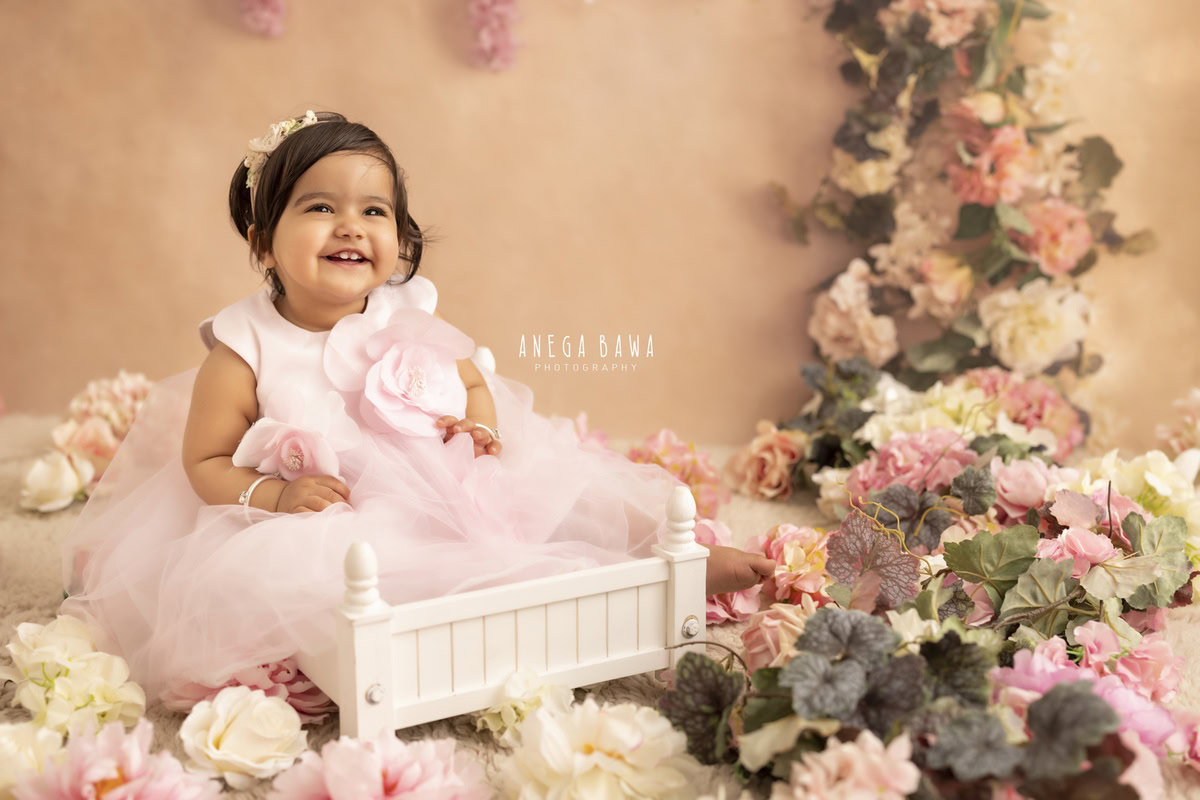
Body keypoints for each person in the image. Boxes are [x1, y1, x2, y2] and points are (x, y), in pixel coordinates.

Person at [61, 110, 773, 707]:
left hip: (444, 476)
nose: (350, 226)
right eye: (319, 208)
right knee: (370, 575)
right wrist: (275, 494)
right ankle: (489, 621)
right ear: (262, 244)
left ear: (399, 241)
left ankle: (672, 559)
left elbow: (469, 383)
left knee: (566, 491)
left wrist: (482, 428)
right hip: (327, 515)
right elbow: (206, 461)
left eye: (373, 211)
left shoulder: (404, 312)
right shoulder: (244, 347)